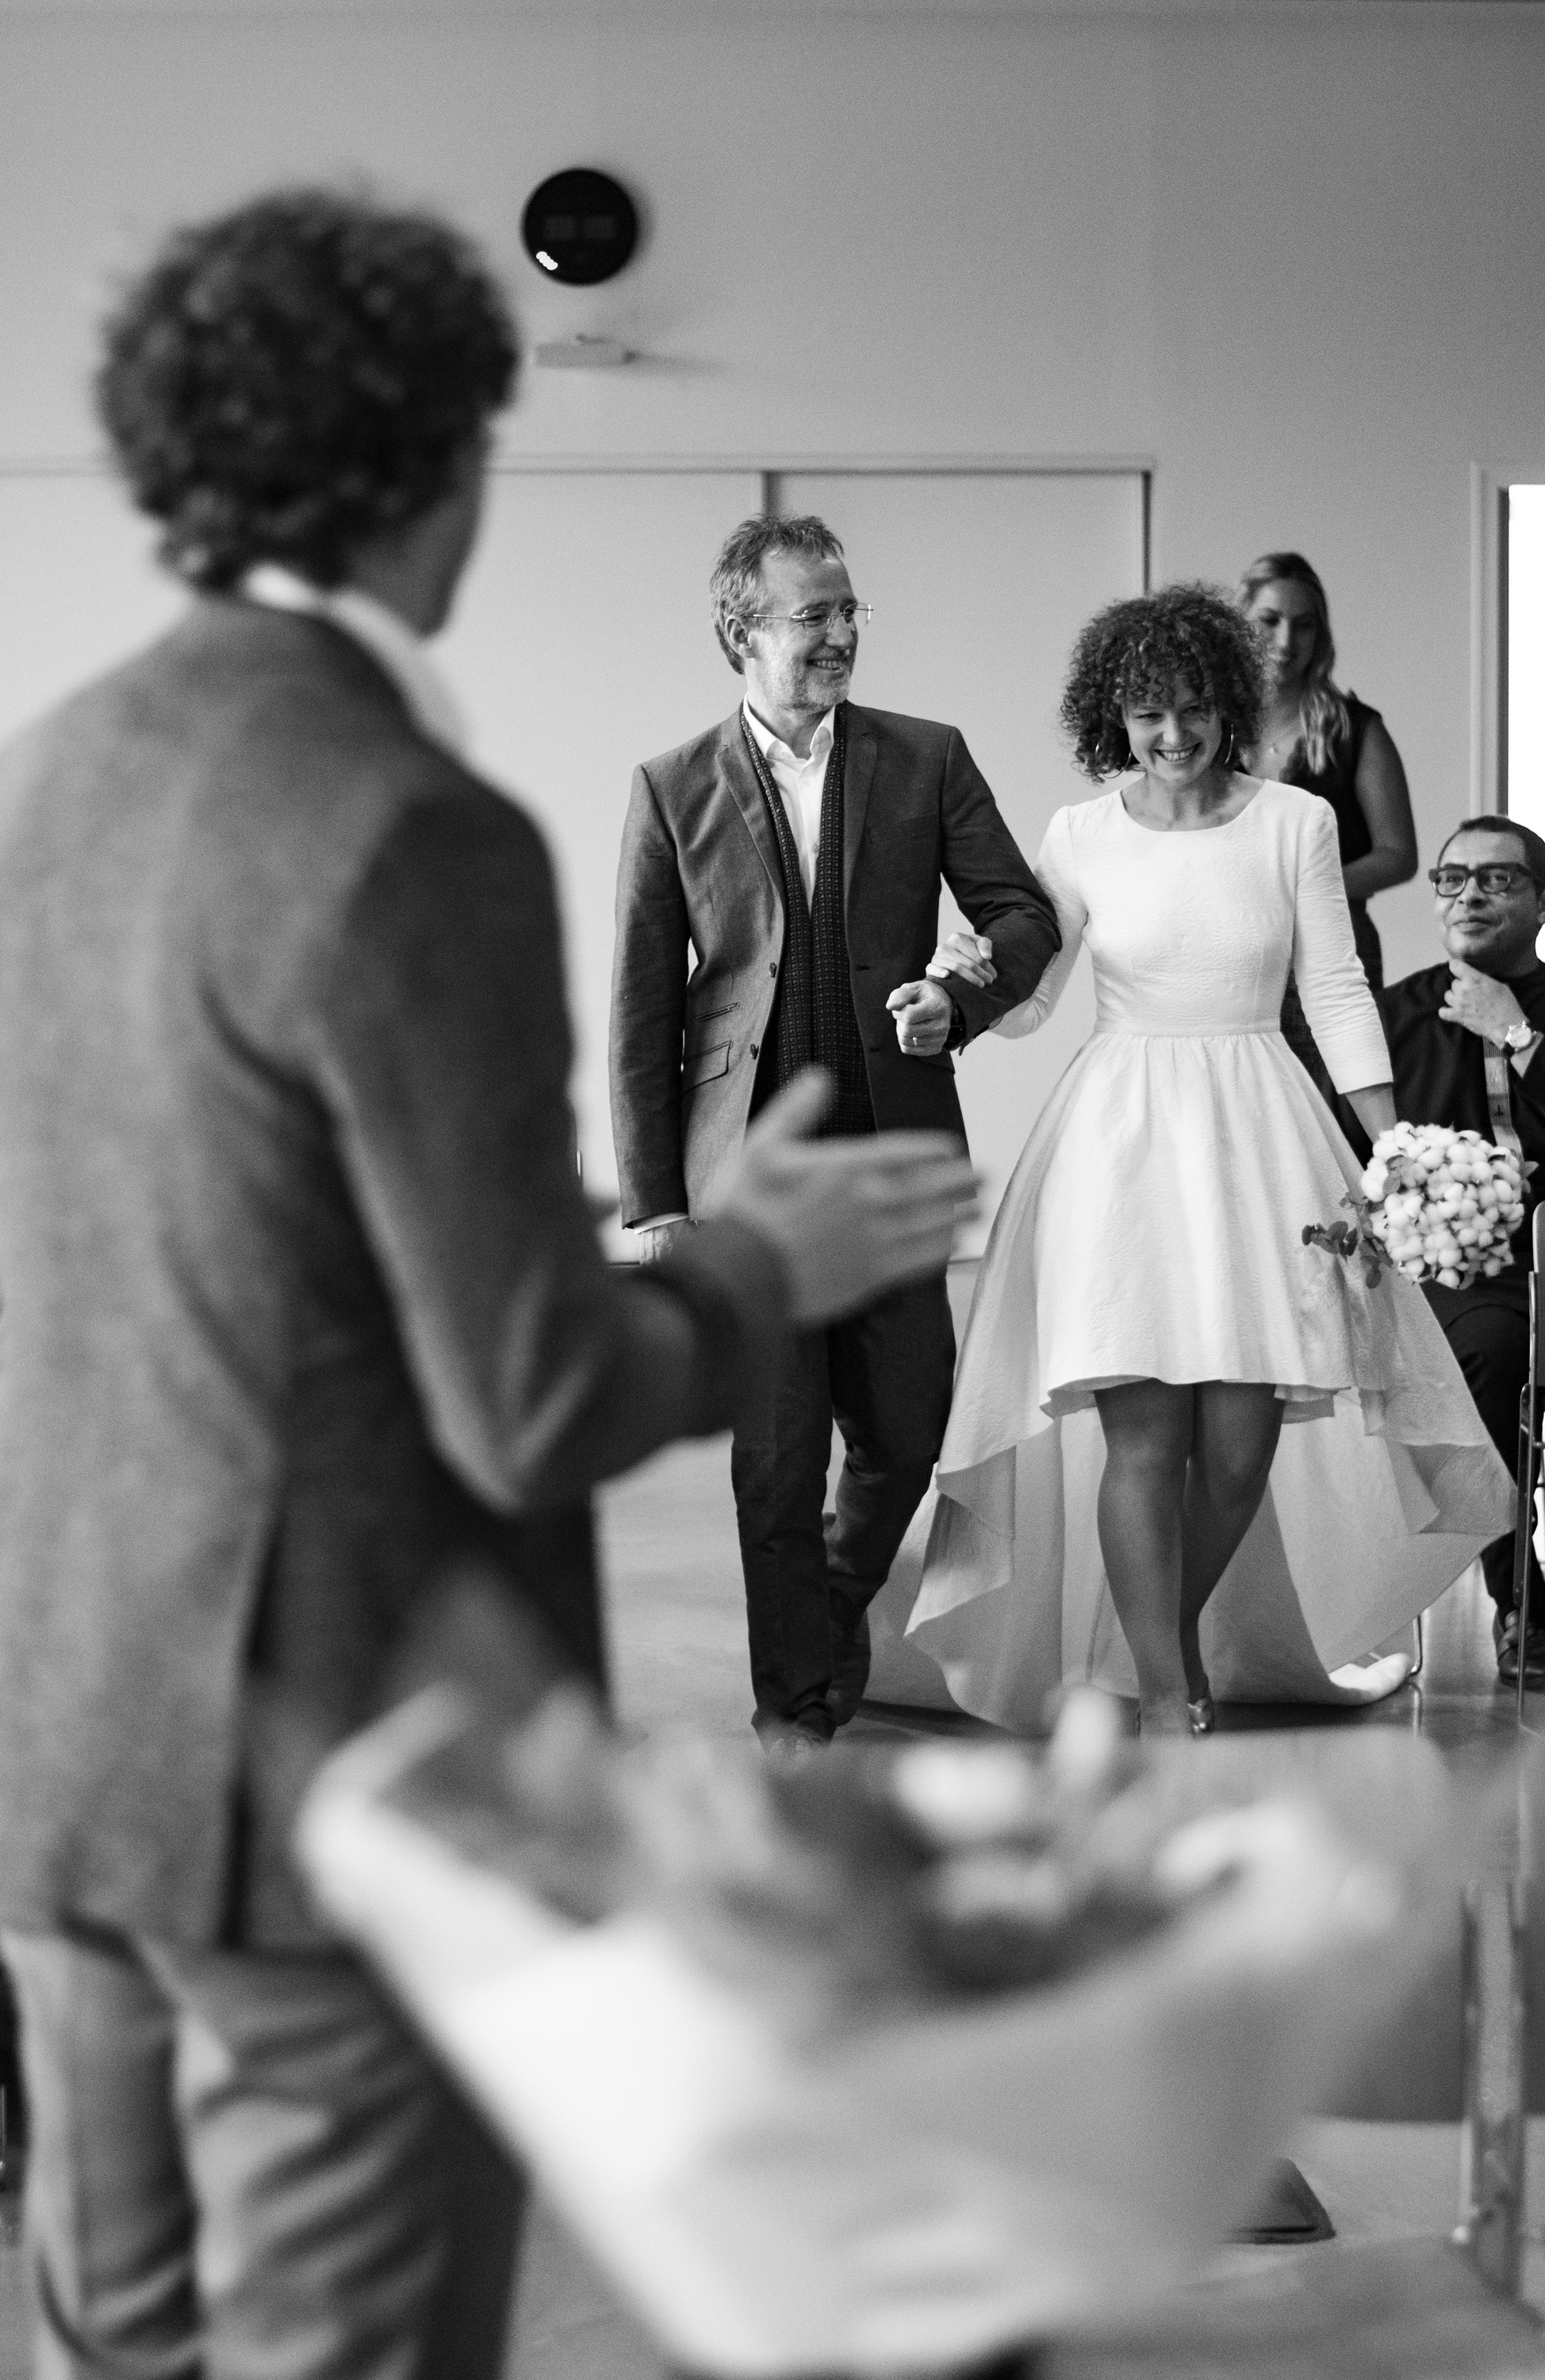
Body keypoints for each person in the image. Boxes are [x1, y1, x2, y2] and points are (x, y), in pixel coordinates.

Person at [0, 191, 976, 2380]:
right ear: (443, 461)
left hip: (66, 1751)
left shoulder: (42, 774)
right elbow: (531, 1397)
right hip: (340, 1794)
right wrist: (756, 1260)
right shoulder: (404, 818)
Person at [895, 584, 1512, 1738]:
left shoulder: (1295, 822)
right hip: (1118, 1142)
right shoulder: (1078, 835)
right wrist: (962, 985)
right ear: (1113, 720)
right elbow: (1033, 1001)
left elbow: (1334, 988)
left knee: (1238, 1446)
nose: (1171, 734)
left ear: (1229, 706)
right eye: (1146, 715)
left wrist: (1390, 1142)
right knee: (1144, 1435)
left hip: (1261, 1133)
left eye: (1190, 709)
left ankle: (1159, 1641)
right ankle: (1163, 1684)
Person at [609, 513, 1060, 1755]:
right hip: (746, 1179)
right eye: (815, 614)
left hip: (888, 1162)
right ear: (740, 631)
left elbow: (1023, 917)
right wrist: (658, 1202)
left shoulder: (927, 757)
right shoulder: (671, 785)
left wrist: (958, 998)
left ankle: (824, 1616)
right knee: (774, 1457)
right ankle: (793, 1713)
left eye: (851, 610)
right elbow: (642, 1008)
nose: (843, 634)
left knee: (907, 1432)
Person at [1374, 816, 1545, 1683]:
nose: (1468, 895)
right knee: (1490, 1355)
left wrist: (1517, 1036)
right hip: (1463, 1281)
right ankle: (1519, 1605)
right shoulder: (1392, 1015)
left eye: (1497, 879)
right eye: (1451, 879)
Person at [1239, 552, 1417, 1127]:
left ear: (1321, 634)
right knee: (1243, 1103)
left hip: (1334, 942)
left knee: (1330, 1113)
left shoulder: (1356, 728)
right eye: (1269, 621)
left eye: (1304, 624)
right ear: (1240, 622)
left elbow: (1398, 855)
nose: (1286, 640)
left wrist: (1304, 890)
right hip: (1235, 941)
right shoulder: (1208, 729)